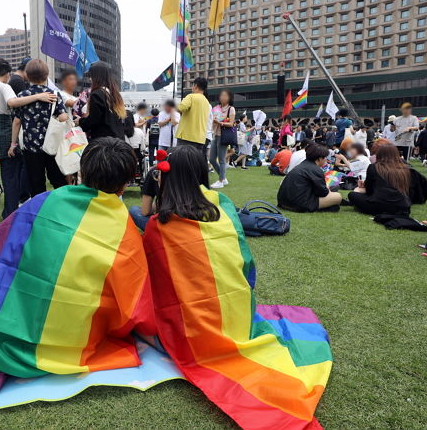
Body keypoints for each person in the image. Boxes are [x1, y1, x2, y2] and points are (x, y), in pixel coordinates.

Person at [0, 137, 154, 394]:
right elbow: (133, 301)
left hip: (9, 331)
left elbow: (1, 258)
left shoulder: (43, 202)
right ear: (124, 184)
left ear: (81, 171)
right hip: (79, 339)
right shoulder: (124, 229)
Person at [142, 146, 332, 428]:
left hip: (192, 324)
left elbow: (154, 285)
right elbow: (246, 262)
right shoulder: (223, 206)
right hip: (236, 310)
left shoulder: (159, 226)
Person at [0, 58, 51, 219]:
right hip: (4, 130)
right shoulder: (5, 87)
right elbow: (13, 102)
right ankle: (9, 213)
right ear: (7, 74)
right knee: (11, 176)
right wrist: (37, 96)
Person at [10, 59, 68, 197]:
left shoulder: (22, 96)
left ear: (27, 75)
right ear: (46, 75)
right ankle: (64, 207)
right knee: (58, 180)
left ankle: (40, 210)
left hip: (31, 147)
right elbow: (64, 117)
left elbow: (17, 122)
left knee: (36, 183)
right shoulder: (54, 95)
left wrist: (13, 144)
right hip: (52, 146)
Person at [347, 144, 412, 217]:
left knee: (353, 194)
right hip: (402, 206)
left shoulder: (374, 167)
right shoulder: (404, 169)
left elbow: (369, 191)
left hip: (380, 204)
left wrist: (362, 187)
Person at [277, 144, 342, 212]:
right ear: (319, 158)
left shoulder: (301, 166)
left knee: (333, 192)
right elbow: (323, 193)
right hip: (299, 205)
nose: (326, 160)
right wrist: (327, 187)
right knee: (338, 196)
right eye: (325, 157)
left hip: (283, 202)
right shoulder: (316, 170)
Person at [75, 62, 126, 140]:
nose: (90, 79)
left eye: (91, 76)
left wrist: (80, 121)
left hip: (104, 143)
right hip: (118, 141)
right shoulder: (114, 93)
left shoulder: (97, 94)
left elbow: (94, 120)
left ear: (96, 77)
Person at [175, 77, 211, 150]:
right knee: (194, 160)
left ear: (196, 86)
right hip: (200, 139)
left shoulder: (191, 96)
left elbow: (180, 108)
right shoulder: (207, 102)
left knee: (182, 160)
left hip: (186, 137)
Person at [209, 89, 235, 189]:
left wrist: (221, 123)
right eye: (221, 95)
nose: (223, 97)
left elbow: (231, 123)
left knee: (222, 160)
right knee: (211, 159)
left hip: (223, 136)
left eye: (225, 96)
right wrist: (213, 121)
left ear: (229, 98)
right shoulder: (216, 108)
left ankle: (220, 181)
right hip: (215, 134)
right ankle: (223, 177)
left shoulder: (231, 109)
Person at [129, 167, 160, 231]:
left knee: (133, 210)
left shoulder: (154, 172)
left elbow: (145, 211)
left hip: (162, 228)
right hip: (184, 228)